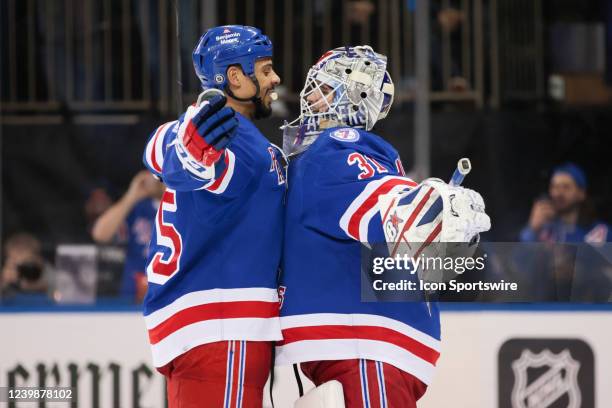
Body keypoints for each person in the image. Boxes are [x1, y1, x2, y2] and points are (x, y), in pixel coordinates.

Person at [276, 46, 489, 407]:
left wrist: (425, 207)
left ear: (349, 99)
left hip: (365, 345)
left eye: (321, 88)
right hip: (363, 346)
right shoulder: (330, 156)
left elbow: (383, 202)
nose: (307, 97)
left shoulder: (337, 148)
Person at [141, 25, 285, 408]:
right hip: (222, 328)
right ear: (235, 77)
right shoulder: (233, 137)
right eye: (267, 69)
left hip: (207, 330)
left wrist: (184, 152)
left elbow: (160, 148)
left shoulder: (202, 128)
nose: (276, 79)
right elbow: (202, 167)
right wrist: (192, 157)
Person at [91, 170, 164, 302]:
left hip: (171, 293)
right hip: (133, 295)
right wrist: (132, 195)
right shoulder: (137, 207)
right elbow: (100, 234)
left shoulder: (186, 205)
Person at [520, 163, 610, 244]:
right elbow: (519, 260)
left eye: (566, 187)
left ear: (581, 194)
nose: (558, 193)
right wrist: (532, 229)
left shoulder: (599, 232)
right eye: (554, 187)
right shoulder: (543, 231)